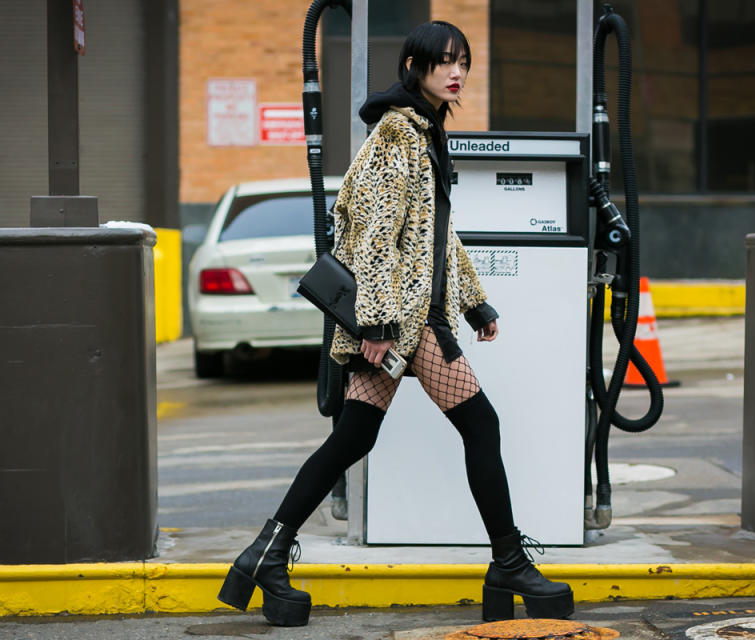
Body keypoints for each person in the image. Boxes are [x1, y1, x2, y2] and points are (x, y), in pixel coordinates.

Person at [217, 20, 574, 627]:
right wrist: (378, 323)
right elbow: (377, 235)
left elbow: (435, 232)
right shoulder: (396, 136)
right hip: (403, 322)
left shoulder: (424, 131)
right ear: (414, 65)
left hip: (411, 316)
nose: (456, 72)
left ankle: (265, 555)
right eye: (444, 62)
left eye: (463, 61)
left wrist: (473, 302)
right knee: (481, 425)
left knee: (354, 438)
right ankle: (509, 562)